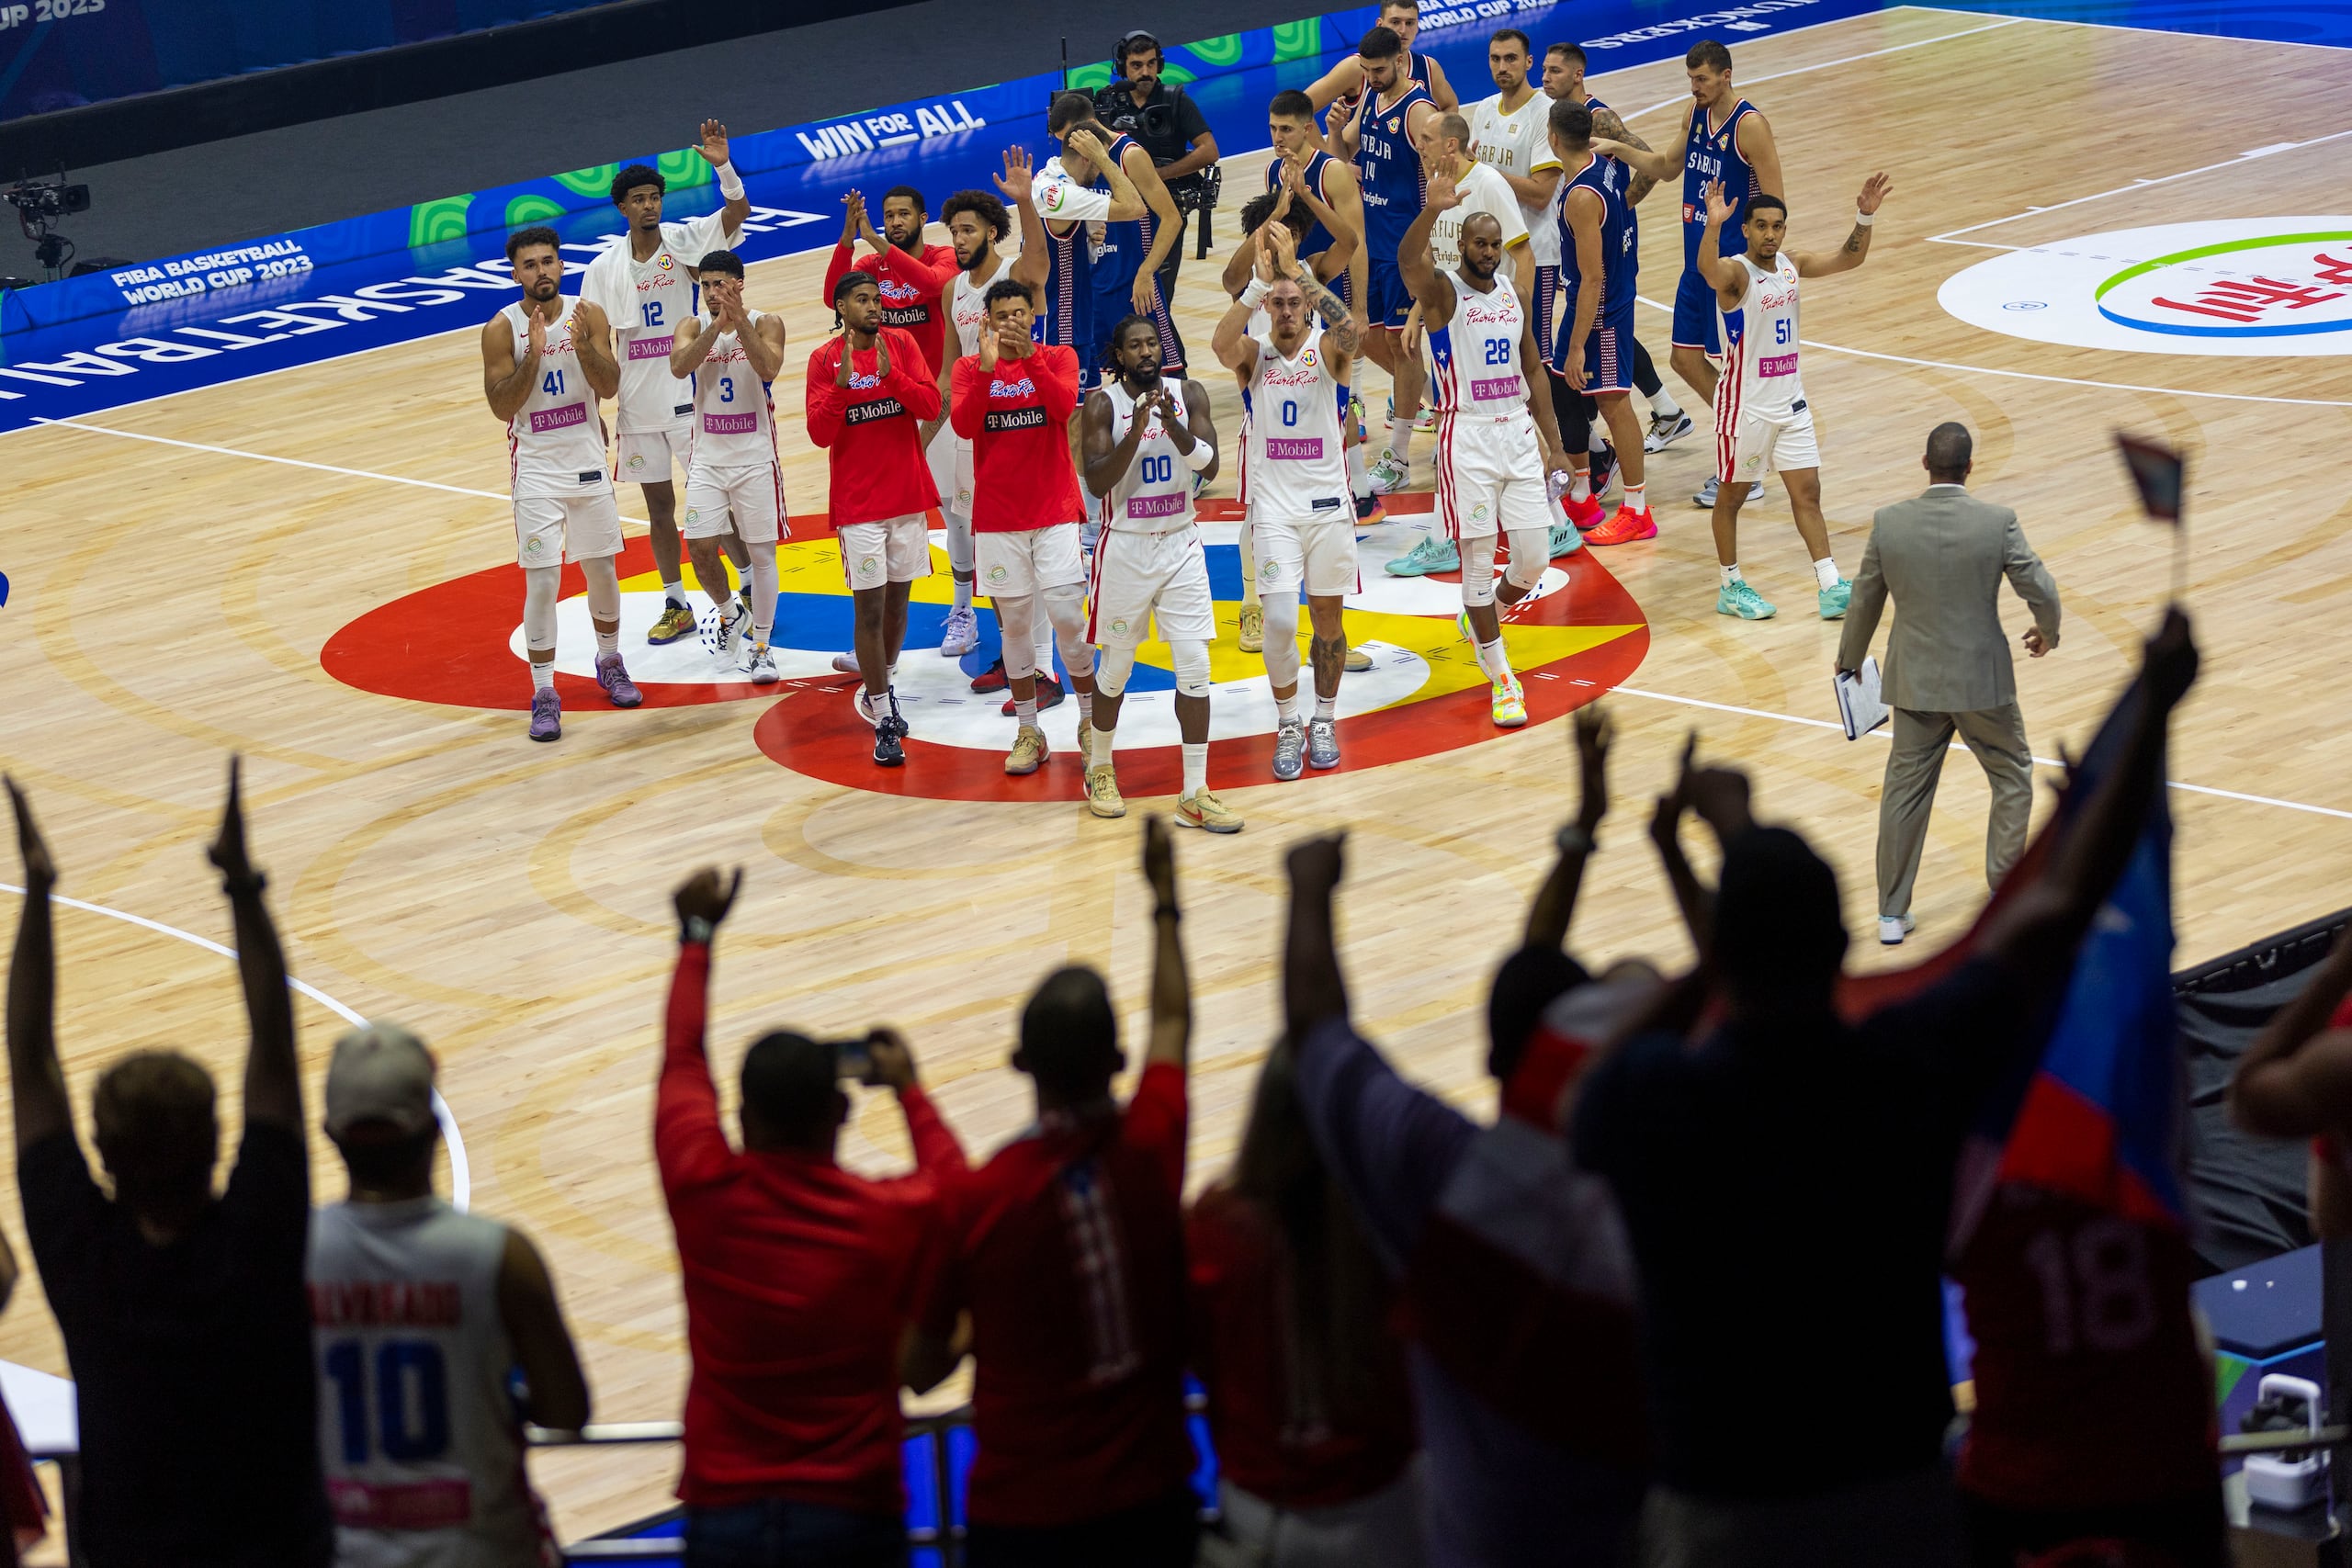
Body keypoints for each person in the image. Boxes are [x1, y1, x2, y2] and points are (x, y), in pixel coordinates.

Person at [1572, 610, 2201, 1567]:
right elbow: (2061, 914)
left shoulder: (1658, 1098)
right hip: (1896, 1498)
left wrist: (1708, 863)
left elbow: (1587, 1095)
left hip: (1723, 1509)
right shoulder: (1904, 1061)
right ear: (1836, 952)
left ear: (1717, 963)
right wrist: (2152, 707)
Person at [1277, 709, 1652, 1567]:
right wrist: (1588, 829)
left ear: (1492, 1053)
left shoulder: (1449, 1178)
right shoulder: (1655, 1177)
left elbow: (1320, 1035)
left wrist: (1307, 889)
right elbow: (1544, 992)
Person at [7, 761, 334, 1566]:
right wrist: (242, 887)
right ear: (218, 1137)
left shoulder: (83, 1257)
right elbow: (274, 1049)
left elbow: (30, 1060)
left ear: (106, 1154)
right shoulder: (259, 1234)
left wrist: (40, 894)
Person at [657, 864, 967, 1568]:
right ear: (841, 1112)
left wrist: (696, 937)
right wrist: (911, 1092)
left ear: (741, 1118)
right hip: (850, 1512)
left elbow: (682, 1057)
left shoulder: (701, 1188)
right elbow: (958, 1188)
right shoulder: (882, 1215)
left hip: (726, 1509)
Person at [912, 819, 1198, 1568]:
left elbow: (918, 1367)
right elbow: (1175, 1020)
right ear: (1117, 1058)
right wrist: (1164, 898)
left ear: (1019, 1064)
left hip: (1024, 1516)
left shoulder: (983, 1196)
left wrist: (982, 1325)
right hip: (1150, 1501)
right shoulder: (1150, 1146)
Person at [309, 1021, 592, 1565]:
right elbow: (566, 1409)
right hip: (482, 1549)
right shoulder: (501, 1256)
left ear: (332, 1134)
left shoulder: (291, 1255)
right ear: (435, 1128)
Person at [1187, 1039, 1423, 1568]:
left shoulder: (1214, 1230)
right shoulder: (1389, 1219)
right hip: (1381, 1504)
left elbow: (1197, 1354)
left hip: (1265, 1514)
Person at [1836, 422, 2061, 944]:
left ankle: (1891, 915)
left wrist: (1848, 662)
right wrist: (2047, 632)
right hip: (1983, 684)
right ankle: (2003, 901)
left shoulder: (1889, 524)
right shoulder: (1997, 522)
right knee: (2011, 776)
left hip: (1914, 683)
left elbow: (1865, 598)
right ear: (1969, 468)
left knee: (1904, 793)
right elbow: (2041, 588)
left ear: (1924, 464)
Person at [1396, 173, 1574, 731]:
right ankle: (1503, 679)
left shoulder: (1512, 294)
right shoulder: (1443, 293)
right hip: (1466, 435)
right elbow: (1407, 261)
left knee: (1533, 561)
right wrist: (1431, 209)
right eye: (1480, 243)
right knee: (1475, 566)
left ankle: (1482, 620)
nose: (1490, 253)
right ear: (1463, 246)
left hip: (1517, 432)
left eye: (1496, 244)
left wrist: (1557, 446)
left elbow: (1532, 370)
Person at [1593, 39, 1785, 508]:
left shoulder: (1751, 126)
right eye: (1690, 78)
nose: (1694, 86)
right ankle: (1743, 451)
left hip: (1734, 270)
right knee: (1684, 358)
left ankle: (1744, 468)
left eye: (1701, 79)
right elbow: (1665, 166)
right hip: (1696, 260)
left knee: (1739, 372)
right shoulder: (1694, 114)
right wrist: (1618, 147)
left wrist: (1765, 264)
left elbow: (1776, 203)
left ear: (1726, 75)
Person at [578, 126, 751, 646]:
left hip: (688, 399)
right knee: (658, 508)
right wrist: (596, 413)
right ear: (622, 209)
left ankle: (749, 587)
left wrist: (723, 167)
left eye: (655, 197)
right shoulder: (603, 269)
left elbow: (736, 216)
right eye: (639, 200)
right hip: (635, 404)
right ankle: (676, 602)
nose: (650, 206)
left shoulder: (684, 242)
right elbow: (593, 344)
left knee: (714, 503)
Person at [1691, 174, 1891, 620]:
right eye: (1760, 225)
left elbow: (1848, 260)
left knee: (1809, 493)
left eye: (1777, 226)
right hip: (1746, 407)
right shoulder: (1736, 274)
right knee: (1731, 498)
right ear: (1746, 229)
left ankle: (1829, 584)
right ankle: (1730, 585)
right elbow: (1708, 271)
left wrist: (1865, 215)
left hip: (1791, 403)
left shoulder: (1791, 264)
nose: (1769, 234)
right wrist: (1711, 225)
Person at [1078, 316, 1238, 831]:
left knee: (1194, 665)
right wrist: (1140, 430)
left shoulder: (1187, 394)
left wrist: (1171, 426)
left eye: (1151, 343)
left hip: (1181, 543)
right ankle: (1100, 766)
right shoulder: (1103, 405)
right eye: (1135, 346)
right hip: (1125, 549)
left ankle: (1195, 791)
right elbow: (1099, 481)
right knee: (1117, 668)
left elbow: (1211, 468)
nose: (1146, 352)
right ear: (1119, 356)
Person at [1213, 224, 1361, 782]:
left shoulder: (1326, 353)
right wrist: (1258, 284)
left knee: (1328, 622)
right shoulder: (1254, 355)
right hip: (1273, 511)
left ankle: (1323, 718)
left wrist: (1297, 272)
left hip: (1326, 510)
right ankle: (1288, 722)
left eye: (1293, 304)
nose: (1286, 312)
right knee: (1277, 621)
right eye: (1277, 305)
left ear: (1305, 305)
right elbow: (1219, 346)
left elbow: (1350, 328)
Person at [481, 227, 640, 741]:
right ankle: (544, 691)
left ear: (561, 265)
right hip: (537, 471)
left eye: (548, 261)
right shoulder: (502, 329)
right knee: (544, 581)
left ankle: (610, 660)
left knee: (601, 569)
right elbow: (503, 407)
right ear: (516, 274)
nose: (540, 271)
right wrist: (536, 353)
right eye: (530, 265)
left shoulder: (588, 314)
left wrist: (580, 348)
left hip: (587, 463)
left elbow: (611, 385)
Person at [949, 278, 1100, 776]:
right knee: (1013, 626)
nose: (1012, 321)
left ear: (1033, 315)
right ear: (986, 320)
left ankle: (1087, 721)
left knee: (1068, 619)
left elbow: (1061, 409)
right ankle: (1030, 732)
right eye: (1003, 314)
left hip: (1054, 510)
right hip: (998, 517)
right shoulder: (970, 368)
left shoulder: (1059, 358)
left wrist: (1029, 358)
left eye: (1020, 313)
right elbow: (967, 426)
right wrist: (991, 372)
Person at [807, 271, 943, 769]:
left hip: (906, 497)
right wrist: (841, 389)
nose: (874, 306)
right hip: (859, 505)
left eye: (876, 298)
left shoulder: (902, 343)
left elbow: (931, 405)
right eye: (862, 299)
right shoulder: (823, 360)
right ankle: (884, 711)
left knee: (897, 604)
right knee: (868, 609)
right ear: (841, 307)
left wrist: (894, 378)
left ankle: (881, 681)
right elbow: (820, 434)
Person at [1536, 44, 1689, 458]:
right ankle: (1662, 409)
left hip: (1603, 236)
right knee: (1599, 327)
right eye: (1544, 69)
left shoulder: (1598, 117)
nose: (1546, 77)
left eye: (1555, 71)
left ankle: (1595, 443)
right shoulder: (1556, 115)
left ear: (1578, 74)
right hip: (1579, 228)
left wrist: (1620, 206)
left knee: (1598, 325)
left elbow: (1654, 164)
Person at [929, 157, 1051, 663]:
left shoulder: (1013, 274)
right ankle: (1009, 652)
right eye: (953, 231)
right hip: (973, 432)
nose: (957, 240)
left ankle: (1035, 657)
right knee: (989, 547)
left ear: (992, 233)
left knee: (1023, 543)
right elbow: (948, 371)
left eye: (967, 230)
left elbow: (1040, 261)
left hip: (1021, 423)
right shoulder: (950, 290)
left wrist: (1024, 200)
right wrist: (920, 438)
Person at [1261, 89, 1382, 535]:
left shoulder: (1331, 172)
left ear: (1308, 128)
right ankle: (1324, 483)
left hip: (1332, 282)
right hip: (1292, 292)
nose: (1278, 137)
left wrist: (1361, 307)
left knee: (1338, 395)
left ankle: (1362, 491)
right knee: (1304, 391)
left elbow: (1357, 241)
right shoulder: (1275, 168)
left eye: (1286, 129)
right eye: (1273, 129)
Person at [667, 250, 788, 683]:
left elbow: (769, 365)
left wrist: (736, 325)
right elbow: (680, 367)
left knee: (761, 554)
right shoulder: (692, 326)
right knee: (698, 547)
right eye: (706, 285)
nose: (713, 292)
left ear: (740, 284)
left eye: (722, 284)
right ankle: (729, 614)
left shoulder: (765, 322)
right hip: (709, 459)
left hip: (755, 458)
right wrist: (717, 327)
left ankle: (761, 646)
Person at [1546, 102, 1657, 547]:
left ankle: (1636, 510)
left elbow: (1593, 277)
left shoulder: (1579, 195)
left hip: (1603, 313)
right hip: (1596, 301)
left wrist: (1577, 346)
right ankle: (1580, 491)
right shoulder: (1604, 165)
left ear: (1554, 139)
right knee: (1561, 387)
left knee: (1614, 404)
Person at [1338, 25, 1438, 496]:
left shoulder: (1419, 111)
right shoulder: (1371, 98)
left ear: (1401, 60)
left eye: (1379, 70)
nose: (1372, 78)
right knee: (1371, 341)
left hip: (1405, 250)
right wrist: (1337, 132)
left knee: (1406, 349)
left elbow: (1442, 179)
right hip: (1370, 245)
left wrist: (1433, 245)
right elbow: (1347, 150)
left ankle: (1397, 456)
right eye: (1366, 71)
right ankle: (1436, 397)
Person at [1092, 30, 1219, 372]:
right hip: (1119, 218)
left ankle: (1166, 369)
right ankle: (1128, 367)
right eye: (1136, 65)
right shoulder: (1109, 102)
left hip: (1166, 213)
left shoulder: (1176, 100)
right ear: (1123, 66)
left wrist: (1156, 179)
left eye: (1151, 64)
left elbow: (1210, 150)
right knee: (1121, 294)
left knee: (1156, 294)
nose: (1145, 72)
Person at [1032, 104, 1153, 391]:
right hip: (1061, 327)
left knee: (1090, 415)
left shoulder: (1051, 176)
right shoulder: (1063, 195)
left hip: (1075, 321)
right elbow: (1136, 207)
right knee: (1072, 421)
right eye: (1098, 164)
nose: (1100, 172)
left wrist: (1087, 238)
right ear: (1087, 159)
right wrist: (1105, 157)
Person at [821, 186, 957, 389]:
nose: (895, 222)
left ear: (922, 219)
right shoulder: (872, 266)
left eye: (904, 214)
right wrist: (848, 237)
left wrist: (874, 239)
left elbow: (930, 284)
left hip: (938, 386)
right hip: (890, 387)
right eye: (889, 216)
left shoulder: (944, 257)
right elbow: (834, 299)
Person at [1306, 0, 1459, 123]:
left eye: (1410, 23)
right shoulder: (1355, 67)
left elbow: (1450, 106)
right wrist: (1326, 155)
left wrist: (1439, 140)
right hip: (1360, 160)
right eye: (1395, 22)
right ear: (1380, 25)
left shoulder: (1428, 67)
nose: (1403, 30)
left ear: (1418, 26)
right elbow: (1300, 107)